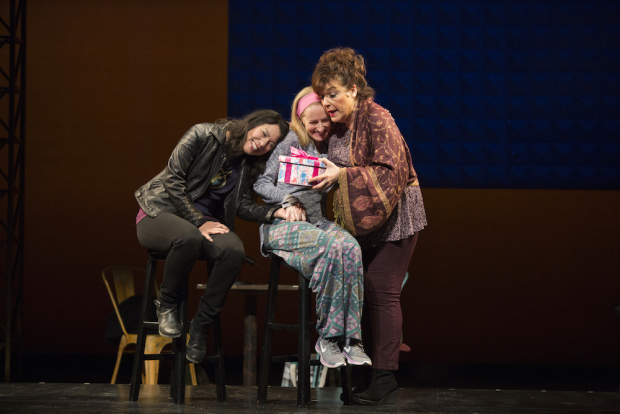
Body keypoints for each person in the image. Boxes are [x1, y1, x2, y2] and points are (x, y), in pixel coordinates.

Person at [309, 48, 428, 405]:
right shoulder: (340, 125)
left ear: (354, 90)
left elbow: (391, 173)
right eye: (323, 95)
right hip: (364, 224)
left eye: (333, 93)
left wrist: (341, 175)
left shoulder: (378, 118)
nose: (327, 102)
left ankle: (385, 377)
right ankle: (365, 373)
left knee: (382, 291)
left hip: (396, 219)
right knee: (360, 294)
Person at [134, 110, 289, 364]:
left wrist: (276, 212)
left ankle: (200, 327)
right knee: (188, 237)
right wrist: (198, 222)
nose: (263, 144)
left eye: (270, 144)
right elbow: (173, 179)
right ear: (253, 123)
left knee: (234, 251)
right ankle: (166, 304)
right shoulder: (203, 134)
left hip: (203, 224)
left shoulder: (248, 164)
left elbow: (242, 207)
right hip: (159, 211)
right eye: (263, 134)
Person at [253, 87, 371, 369]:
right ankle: (328, 337)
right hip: (283, 224)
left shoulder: (332, 147)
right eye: (312, 122)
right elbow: (259, 183)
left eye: (324, 120)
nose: (319, 127)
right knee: (330, 248)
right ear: (300, 120)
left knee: (350, 248)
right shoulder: (288, 142)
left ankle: (351, 339)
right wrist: (286, 202)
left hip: (315, 225)